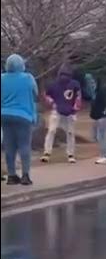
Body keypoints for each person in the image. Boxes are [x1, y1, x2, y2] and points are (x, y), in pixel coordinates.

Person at [2, 54, 39, 185]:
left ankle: (11, 175)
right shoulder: (28, 78)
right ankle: (25, 175)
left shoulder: (2, 78)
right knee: (24, 145)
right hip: (23, 115)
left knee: (9, 146)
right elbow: (35, 94)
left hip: (4, 115)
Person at [42, 64, 81, 164]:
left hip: (70, 112)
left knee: (70, 133)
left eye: (66, 75)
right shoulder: (54, 85)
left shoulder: (74, 84)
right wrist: (52, 102)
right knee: (51, 130)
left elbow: (78, 95)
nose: (64, 77)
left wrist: (76, 105)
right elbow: (46, 94)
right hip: (57, 111)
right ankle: (47, 152)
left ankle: (70, 154)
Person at [90, 76, 106, 164]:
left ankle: (105, 156)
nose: (91, 85)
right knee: (98, 136)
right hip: (99, 117)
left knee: (101, 136)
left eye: (93, 83)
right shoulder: (95, 92)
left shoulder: (101, 92)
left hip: (104, 117)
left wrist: (104, 112)